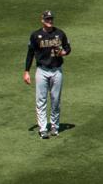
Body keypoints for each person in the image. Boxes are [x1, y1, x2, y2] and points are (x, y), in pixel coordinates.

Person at [23, 10, 71, 139]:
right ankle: (43, 128)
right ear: (42, 20)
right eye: (47, 19)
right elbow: (30, 54)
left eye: (51, 19)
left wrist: (64, 53)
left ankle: (55, 126)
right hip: (42, 71)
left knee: (55, 100)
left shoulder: (60, 33)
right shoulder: (35, 35)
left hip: (57, 70)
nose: (50, 21)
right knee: (41, 100)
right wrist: (26, 71)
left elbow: (68, 47)